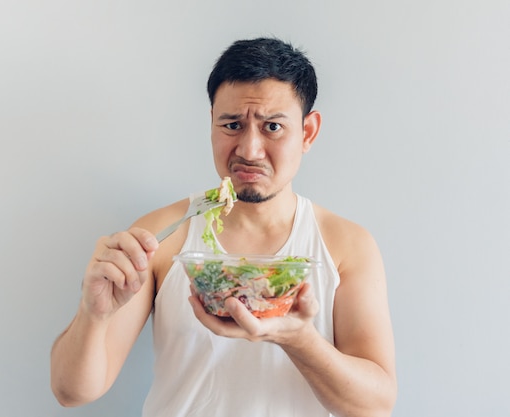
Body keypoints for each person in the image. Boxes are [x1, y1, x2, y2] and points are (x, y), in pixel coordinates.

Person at [50, 37, 397, 417]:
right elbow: (72, 392)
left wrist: (298, 339)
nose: (249, 149)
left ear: (308, 132)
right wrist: (92, 313)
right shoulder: (162, 235)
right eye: (232, 124)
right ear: (212, 123)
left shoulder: (346, 246)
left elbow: (375, 406)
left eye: (273, 127)